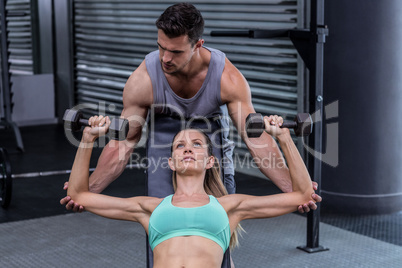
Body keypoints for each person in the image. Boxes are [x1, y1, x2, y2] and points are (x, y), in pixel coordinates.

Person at [61, 2, 320, 267]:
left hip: (211, 135)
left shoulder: (227, 78)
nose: (165, 58)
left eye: (175, 51)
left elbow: (256, 139)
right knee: (162, 219)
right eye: (161, 47)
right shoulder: (143, 80)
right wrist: (86, 192)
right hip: (164, 136)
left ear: (198, 45)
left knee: (219, 217)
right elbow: (124, 142)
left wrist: (293, 189)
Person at [67, 114, 320, 268]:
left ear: (210, 161)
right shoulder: (149, 208)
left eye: (197, 144)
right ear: (170, 162)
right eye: (179, 146)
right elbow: (79, 195)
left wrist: (285, 137)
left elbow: (303, 195)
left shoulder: (229, 207)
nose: (187, 149)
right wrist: (88, 137)